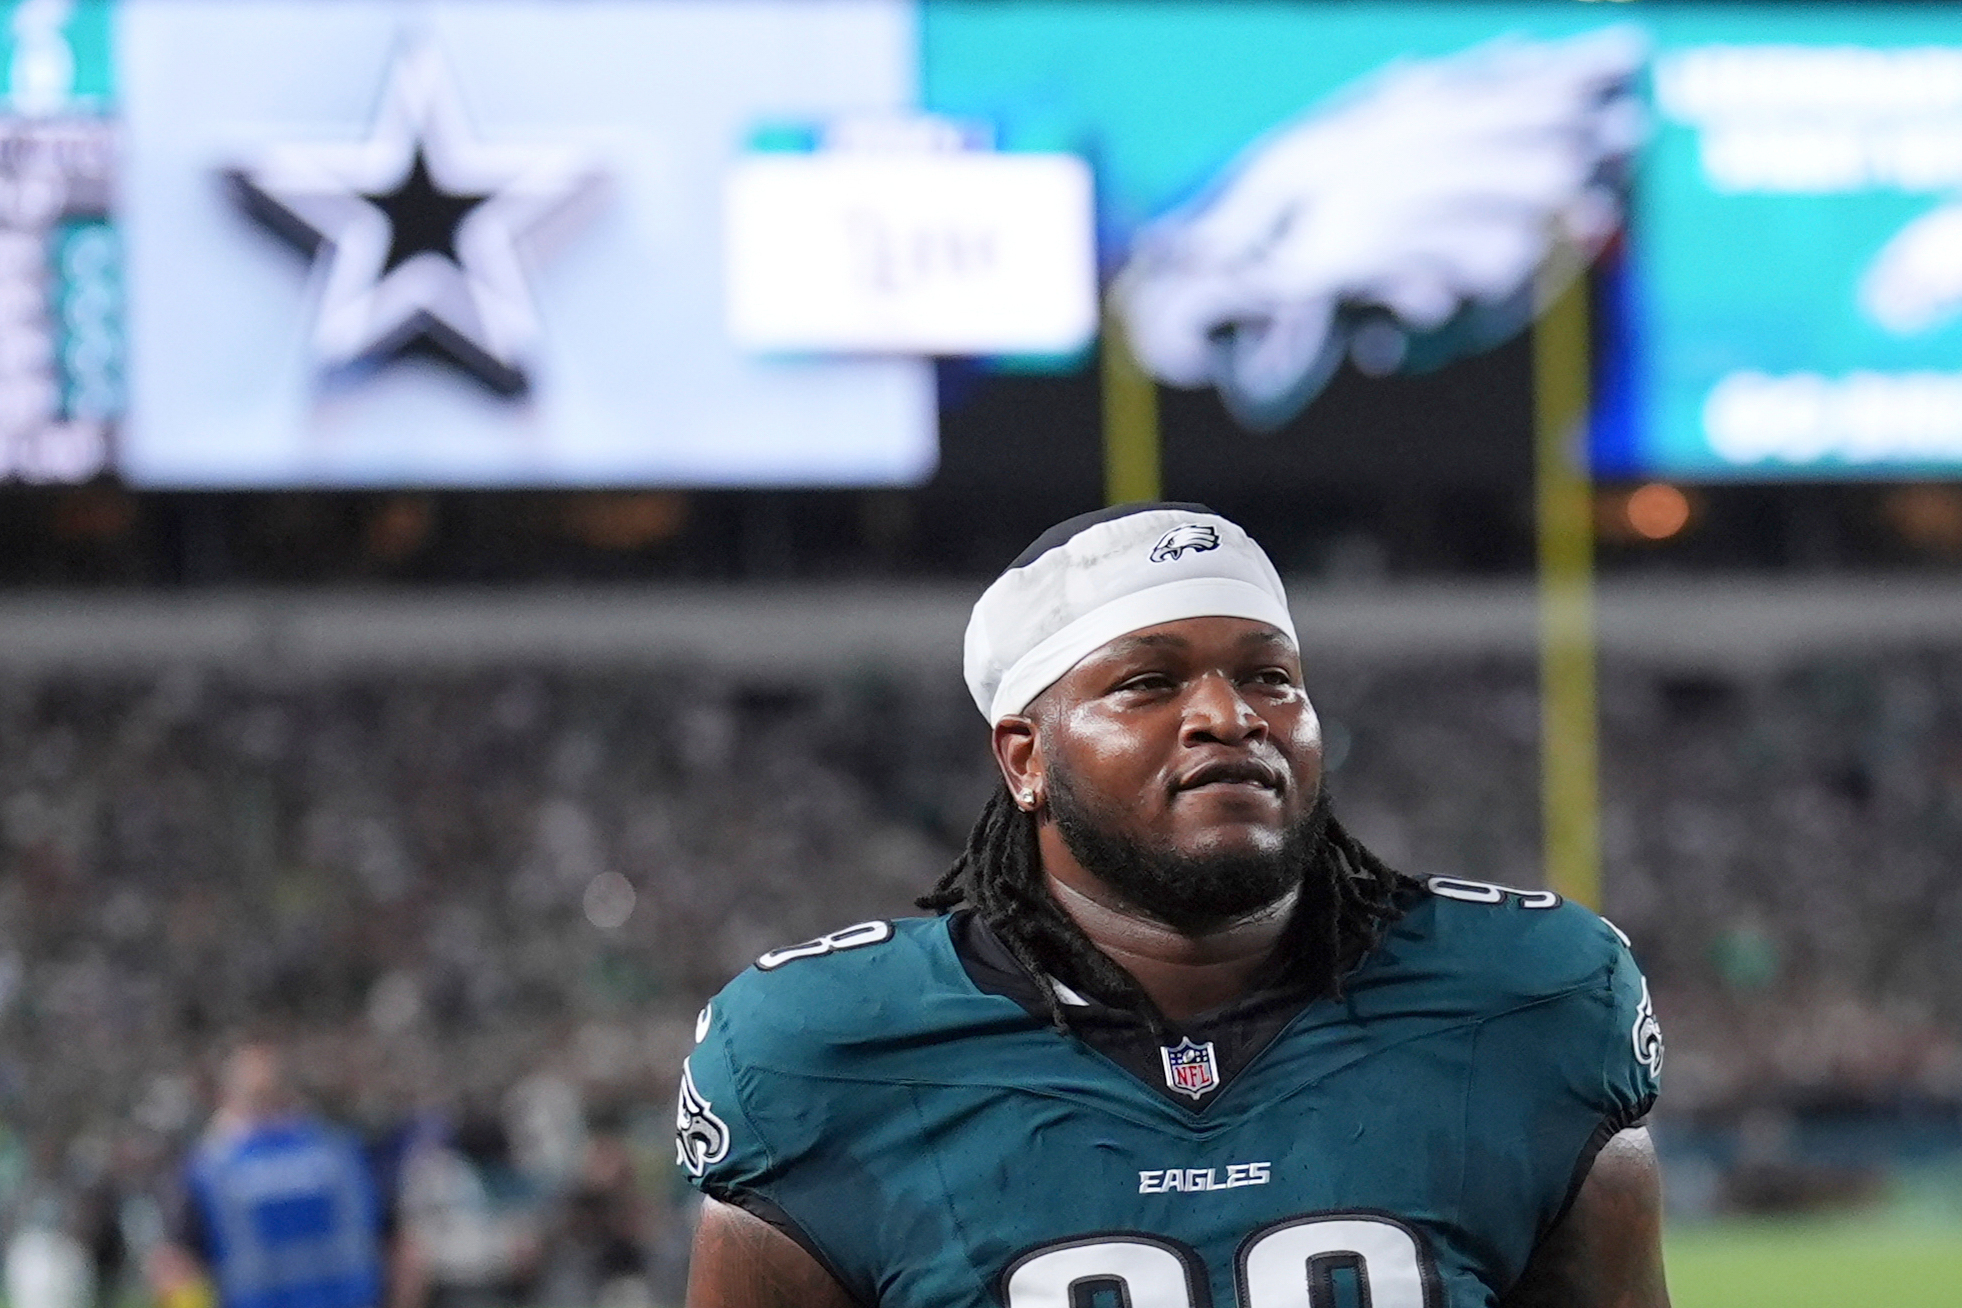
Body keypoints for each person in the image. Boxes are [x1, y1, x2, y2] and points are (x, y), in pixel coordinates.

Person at [676, 504, 1668, 1308]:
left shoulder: (1529, 996)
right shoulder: (828, 1051)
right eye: (1149, 682)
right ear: (1027, 758)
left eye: (1269, 677)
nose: (1229, 715)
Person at [151, 1044, 391, 1308]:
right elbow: (403, 1246)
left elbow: (175, 1267)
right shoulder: (343, 1154)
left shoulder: (207, 1171)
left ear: (226, 1096)